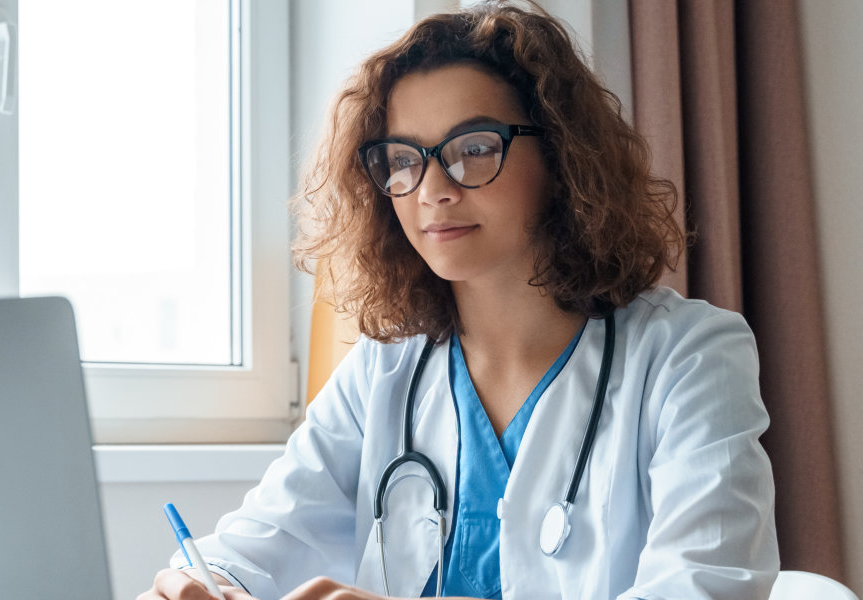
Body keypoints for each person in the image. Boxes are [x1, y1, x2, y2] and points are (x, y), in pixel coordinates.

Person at [140, 2, 778, 599]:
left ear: (561, 157)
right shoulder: (382, 370)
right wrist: (205, 582)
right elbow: (257, 544)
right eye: (403, 158)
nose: (432, 189)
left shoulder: (690, 356)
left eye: (474, 149)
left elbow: (704, 584)